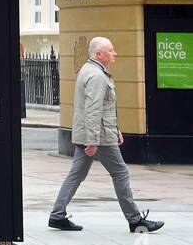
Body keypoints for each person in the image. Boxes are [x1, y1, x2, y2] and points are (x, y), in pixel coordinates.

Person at [49, 36, 163, 233]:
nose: (115, 53)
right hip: (98, 136)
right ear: (98, 54)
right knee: (120, 173)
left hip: (93, 133)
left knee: (76, 174)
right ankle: (135, 220)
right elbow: (94, 111)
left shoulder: (89, 70)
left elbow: (101, 109)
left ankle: (57, 215)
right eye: (110, 50)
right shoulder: (97, 76)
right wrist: (93, 140)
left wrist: (115, 129)